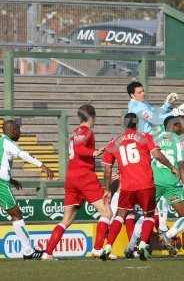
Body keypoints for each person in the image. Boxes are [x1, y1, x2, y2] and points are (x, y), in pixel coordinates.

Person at [100, 113, 178, 261]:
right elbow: (157, 155)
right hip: (146, 185)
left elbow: (108, 168)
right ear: (136, 123)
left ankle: (108, 245)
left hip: (127, 186)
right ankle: (142, 244)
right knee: (149, 214)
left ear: (124, 124)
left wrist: (108, 189)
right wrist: (171, 167)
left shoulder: (114, 142)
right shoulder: (144, 137)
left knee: (120, 215)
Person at [42, 104, 112, 260]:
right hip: (84, 177)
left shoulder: (74, 132)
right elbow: (80, 149)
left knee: (66, 220)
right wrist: (94, 152)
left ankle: (48, 253)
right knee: (107, 212)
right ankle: (97, 248)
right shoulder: (87, 131)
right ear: (92, 117)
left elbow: (77, 148)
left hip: (71, 178)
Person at [127, 81, 184, 234]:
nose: (143, 93)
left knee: (159, 183)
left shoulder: (141, 103)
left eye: (143, 90)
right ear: (132, 95)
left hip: (152, 140)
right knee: (160, 179)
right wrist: (175, 113)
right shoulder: (136, 107)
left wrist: (167, 105)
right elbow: (156, 120)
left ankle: (159, 223)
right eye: (140, 92)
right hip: (146, 144)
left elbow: (156, 115)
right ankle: (161, 225)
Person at [0, 120, 54, 259]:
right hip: (1, 184)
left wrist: (11, 179)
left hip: (3, 181)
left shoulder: (2, 143)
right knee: (17, 214)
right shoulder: (7, 143)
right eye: (18, 130)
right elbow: (23, 155)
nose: (20, 132)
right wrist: (42, 165)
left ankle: (28, 251)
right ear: (11, 130)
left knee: (15, 214)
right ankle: (28, 251)